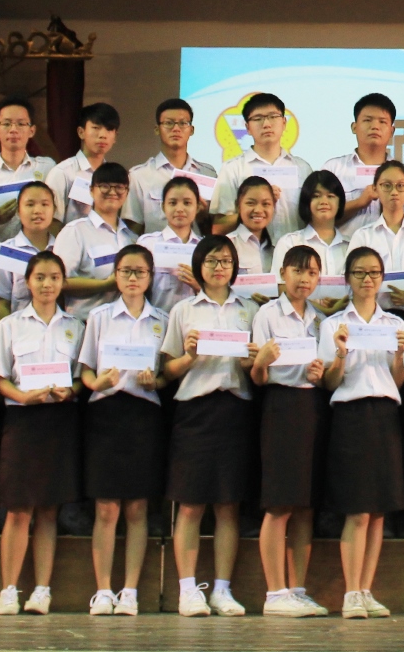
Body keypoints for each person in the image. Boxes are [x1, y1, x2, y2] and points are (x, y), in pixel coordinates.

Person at [161, 235, 261, 617]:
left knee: (228, 505)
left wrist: (253, 360)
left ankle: (222, 589)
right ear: (198, 267)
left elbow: (256, 368)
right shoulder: (183, 310)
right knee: (190, 504)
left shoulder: (250, 310)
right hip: (195, 410)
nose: (219, 268)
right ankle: (188, 589)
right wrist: (189, 356)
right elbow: (167, 370)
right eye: (212, 261)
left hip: (236, 408)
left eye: (226, 261)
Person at [0, 251, 84, 616]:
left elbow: (82, 377)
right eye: (40, 277)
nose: (47, 284)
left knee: (48, 509)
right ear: (27, 282)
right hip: (22, 420)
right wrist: (21, 397)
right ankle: (8, 589)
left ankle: (42, 590)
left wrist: (70, 391)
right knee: (18, 509)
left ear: (63, 283)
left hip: (59, 420)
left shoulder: (76, 326)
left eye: (54, 277)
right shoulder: (10, 325)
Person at [320, 247, 404, 619]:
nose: (367, 279)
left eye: (374, 272)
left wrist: (399, 356)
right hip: (351, 415)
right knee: (358, 511)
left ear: (382, 278)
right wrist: (341, 353)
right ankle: (350, 592)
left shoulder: (394, 325)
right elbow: (329, 382)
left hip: (385, 414)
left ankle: (366, 589)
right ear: (348, 278)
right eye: (359, 272)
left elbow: (399, 380)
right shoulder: (333, 325)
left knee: (378, 512)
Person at [77, 245, 168, 616]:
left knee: (137, 507)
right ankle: (103, 590)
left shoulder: (162, 319)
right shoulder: (99, 317)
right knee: (106, 507)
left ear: (150, 277)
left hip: (144, 415)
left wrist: (155, 382)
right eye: (126, 271)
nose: (132, 278)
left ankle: (129, 590)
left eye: (140, 272)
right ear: (115, 275)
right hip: (106, 414)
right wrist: (96, 383)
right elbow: (85, 370)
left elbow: (166, 375)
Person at [250, 245, 331, 618]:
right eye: (298, 271)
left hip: (312, 407)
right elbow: (258, 377)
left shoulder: (320, 319)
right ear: (283, 273)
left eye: (312, 272)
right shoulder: (267, 314)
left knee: (304, 506)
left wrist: (320, 374)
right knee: (280, 502)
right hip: (280, 406)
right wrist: (262, 363)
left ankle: (297, 589)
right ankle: (274, 592)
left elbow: (326, 373)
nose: (304, 279)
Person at [212, 93, 312, 239]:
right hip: (249, 251)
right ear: (247, 127)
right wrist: (253, 207)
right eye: (258, 119)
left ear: (284, 122)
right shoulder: (233, 169)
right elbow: (219, 227)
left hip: (295, 251)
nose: (266, 124)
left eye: (273, 117)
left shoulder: (302, 168)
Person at [347, 161, 404, 314]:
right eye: (386, 185)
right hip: (375, 316)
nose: (394, 192)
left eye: (400, 186)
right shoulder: (363, 236)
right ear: (375, 189)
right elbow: (352, 281)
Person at [55, 163, 140, 318]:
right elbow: (59, 281)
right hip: (84, 322)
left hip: (124, 322)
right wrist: (105, 285)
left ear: (127, 192)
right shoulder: (75, 231)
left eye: (119, 187)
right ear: (91, 190)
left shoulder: (131, 238)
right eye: (105, 186)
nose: (112, 192)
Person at [127, 98, 216, 236]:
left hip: (198, 248)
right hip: (154, 249)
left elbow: (215, 229)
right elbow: (133, 231)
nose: (176, 129)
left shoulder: (207, 173)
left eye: (183, 123)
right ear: (157, 129)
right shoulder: (138, 176)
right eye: (169, 123)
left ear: (191, 130)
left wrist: (202, 217)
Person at [0, 96, 58, 242]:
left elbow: (59, 217)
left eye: (21, 124)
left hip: (39, 252)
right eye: (6, 124)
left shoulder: (47, 167)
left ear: (32, 130)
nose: (13, 130)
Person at [321, 93, 397, 239]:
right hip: (343, 249)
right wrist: (359, 202)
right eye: (367, 120)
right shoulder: (333, 169)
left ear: (392, 131)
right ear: (354, 127)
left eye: (382, 122)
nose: (375, 126)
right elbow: (319, 219)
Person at [136, 176, 206, 315]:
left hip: (195, 321)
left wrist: (200, 286)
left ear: (198, 207)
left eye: (187, 203)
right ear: (163, 207)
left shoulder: (205, 248)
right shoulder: (148, 244)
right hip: (155, 321)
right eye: (173, 203)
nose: (179, 209)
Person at [0, 183, 58, 321]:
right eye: (30, 204)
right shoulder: (4, 253)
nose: (37, 210)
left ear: (54, 210)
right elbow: (0, 304)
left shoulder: (63, 249)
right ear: (18, 211)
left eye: (44, 204)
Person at [45, 102, 121, 225]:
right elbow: (52, 222)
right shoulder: (63, 173)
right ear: (81, 132)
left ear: (115, 136)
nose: (103, 135)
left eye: (109, 129)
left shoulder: (116, 177)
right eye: (96, 128)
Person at [227, 176, 280, 280]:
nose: (258, 210)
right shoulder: (228, 245)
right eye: (250, 203)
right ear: (238, 206)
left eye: (266, 204)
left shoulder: (278, 247)